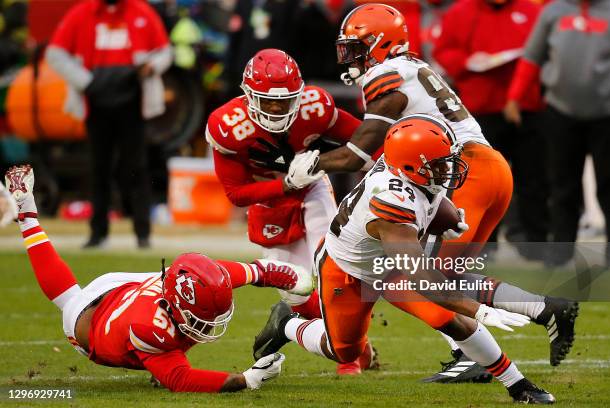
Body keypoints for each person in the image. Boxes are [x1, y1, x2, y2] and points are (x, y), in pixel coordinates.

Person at [277, 3, 577, 382]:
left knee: (414, 280)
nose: (350, 57)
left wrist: (315, 164)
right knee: (450, 275)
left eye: (356, 47)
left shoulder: (386, 74)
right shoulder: (412, 67)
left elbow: (358, 151)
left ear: (379, 43)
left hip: (459, 171)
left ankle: (476, 354)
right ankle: (545, 309)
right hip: (487, 168)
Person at [253, 115, 555, 404]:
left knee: (454, 323)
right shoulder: (391, 202)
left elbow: (430, 198)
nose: (448, 169)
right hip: (349, 271)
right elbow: (422, 276)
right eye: (439, 164)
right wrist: (479, 309)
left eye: (447, 160)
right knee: (343, 351)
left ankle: (518, 385)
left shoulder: (411, 170)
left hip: (389, 264)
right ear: (413, 167)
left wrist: (448, 218)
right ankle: (288, 324)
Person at [2, 164, 315, 392]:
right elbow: (180, 380)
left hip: (129, 287)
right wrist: (246, 380)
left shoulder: (174, 293)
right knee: (69, 297)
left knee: (201, 275)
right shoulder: (149, 328)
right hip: (85, 321)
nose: (215, 322)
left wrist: (265, 272)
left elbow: (213, 277)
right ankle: (27, 214)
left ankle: (264, 269)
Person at [206, 48, 374, 375]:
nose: (275, 108)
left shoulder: (314, 107)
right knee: (296, 291)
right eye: (267, 101)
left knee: (334, 268)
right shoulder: (228, 125)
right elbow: (236, 194)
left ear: (298, 96)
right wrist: (285, 185)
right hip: (268, 204)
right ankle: (355, 344)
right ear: (248, 95)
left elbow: (365, 138)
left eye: (283, 102)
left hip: (312, 189)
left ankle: (350, 355)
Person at [46, 0, 173, 249]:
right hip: (96, 100)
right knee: (98, 168)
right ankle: (97, 233)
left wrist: (151, 67)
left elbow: (165, 51)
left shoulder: (141, 11)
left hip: (132, 100)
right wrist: (84, 81)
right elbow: (54, 53)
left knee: (137, 167)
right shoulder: (82, 13)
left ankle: (143, 234)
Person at [504, 0, 610, 267]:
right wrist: (514, 97)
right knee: (562, 186)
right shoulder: (553, 11)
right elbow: (532, 57)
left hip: (607, 115)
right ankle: (560, 252)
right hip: (559, 113)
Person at [433, 0, 549, 248]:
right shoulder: (460, 11)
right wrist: (467, 62)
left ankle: (536, 247)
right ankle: (483, 246)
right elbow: (442, 50)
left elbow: (547, 52)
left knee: (533, 178)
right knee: (479, 183)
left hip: (526, 107)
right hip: (477, 111)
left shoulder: (532, 10)